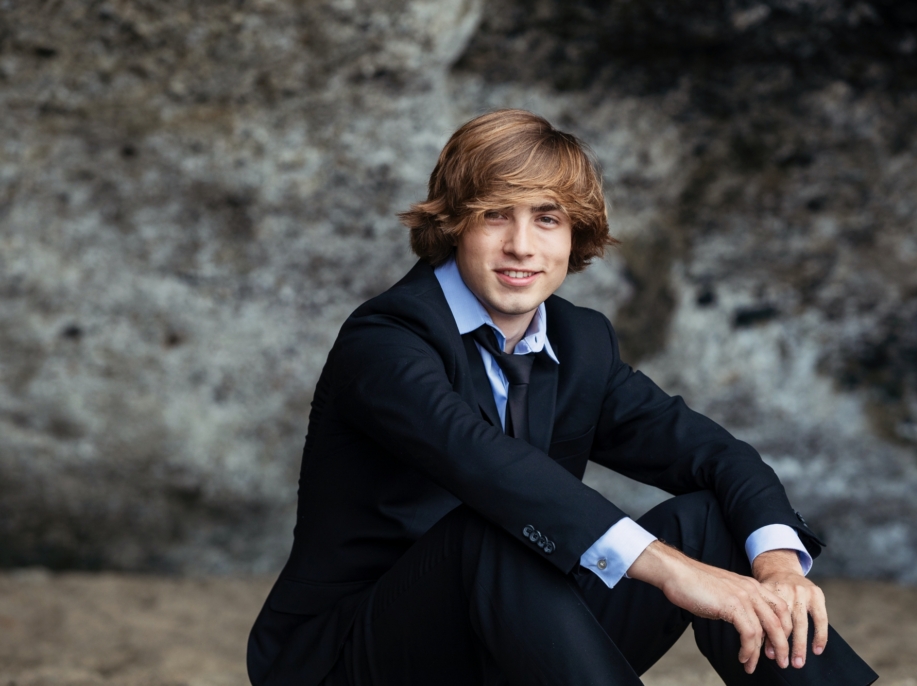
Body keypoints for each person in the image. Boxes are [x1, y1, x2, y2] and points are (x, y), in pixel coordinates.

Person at [247, 109, 877, 686]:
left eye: (547, 218)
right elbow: (490, 469)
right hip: (357, 657)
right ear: (454, 223)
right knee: (492, 529)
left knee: (715, 521)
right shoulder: (386, 338)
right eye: (497, 214)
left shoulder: (580, 343)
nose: (522, 245)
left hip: (520, 638)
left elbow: (716, 453)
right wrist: (675, 572)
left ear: (576, 236)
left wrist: (778, 570)